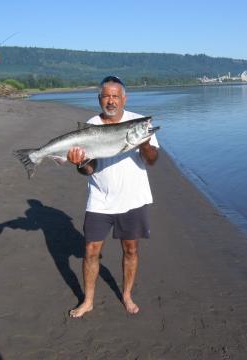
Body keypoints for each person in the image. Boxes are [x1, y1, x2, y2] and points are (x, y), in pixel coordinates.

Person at [67, 75, 159, 317]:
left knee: (131, 250)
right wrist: (79, 161)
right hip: (99, 199)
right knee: (90, 251)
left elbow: (152, 161)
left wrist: (145, 144)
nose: (111, 101)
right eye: (106, 96)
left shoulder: (139, 124)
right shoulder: (90, 126)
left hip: (133, 199)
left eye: (115, 96)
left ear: (124, 99)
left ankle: (127, 295)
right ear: (99, 99)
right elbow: (88, 169)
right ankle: (88, 300)